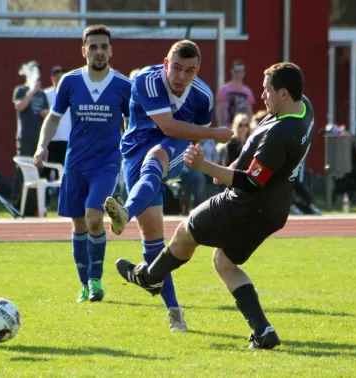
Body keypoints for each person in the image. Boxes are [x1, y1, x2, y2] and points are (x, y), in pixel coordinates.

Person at [115, 62, 314, 349]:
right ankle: (263, 331)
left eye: (267, 90)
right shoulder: (303, 106)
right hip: (274, 209)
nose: (262, 95)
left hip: (246, 204)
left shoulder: (282, 133)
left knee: (185, 231)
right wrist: (234, 164)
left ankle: (149, 277)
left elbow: (251, 181)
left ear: (283, 93)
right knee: (224, 262)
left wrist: (205, 166)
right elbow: (259, 161)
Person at [103, 40, 233, 331]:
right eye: (176, 68)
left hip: (170, 151)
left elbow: (189, 136)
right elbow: (169, 125)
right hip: (135, 152)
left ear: (196, 71)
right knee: (153, 238)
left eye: (189, 71)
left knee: (158, 155)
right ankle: (174, 311)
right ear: (165, 63)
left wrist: (197, 147)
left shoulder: (202, 95)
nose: (181, 76)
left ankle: (125, 211)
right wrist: (216, 133)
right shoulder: (146, 81)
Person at [33, 25, 131, 303]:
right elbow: (53, 118)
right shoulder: (69, 82)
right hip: (75, 163)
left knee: (93, 217)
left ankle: (96, 281)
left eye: (104, 47)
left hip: (107, 163)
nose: (99, 51)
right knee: (78, 224)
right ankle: (84, 284)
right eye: (93, 46)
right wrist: (42, 146)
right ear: (84, 50)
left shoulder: (124, 86)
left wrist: (132, 154)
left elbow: (132, 124)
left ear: (111, 50)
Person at [11, 60, 50, 208]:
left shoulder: (42, 94)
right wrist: (31, 92)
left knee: (39, 167)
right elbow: (19, 107)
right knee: (22, 168)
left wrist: (44, 113)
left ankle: (34, 205)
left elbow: (47, 114)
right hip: (25, 136)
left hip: (39, 137)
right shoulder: (21, 90)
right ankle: (16, 202)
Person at [43, 65, 71, 180]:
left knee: (66, 170)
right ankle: (45, 197)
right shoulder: (46, 94)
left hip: (67, 138)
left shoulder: (71, 94)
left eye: (63, 77)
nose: (60, 80)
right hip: (51, 139)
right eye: (57, 77)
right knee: (46, 170)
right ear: (52, 78)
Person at [215, 60, 255, 129]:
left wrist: (249, 128)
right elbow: (218, 110)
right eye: (236, 70)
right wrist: (220, 126)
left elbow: (249, 111)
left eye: (241, 70)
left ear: (244, 73)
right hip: (227, 128)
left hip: (242, 131)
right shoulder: (224, 89)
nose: (239, 73)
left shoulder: (247, 91)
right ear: (232, 71)